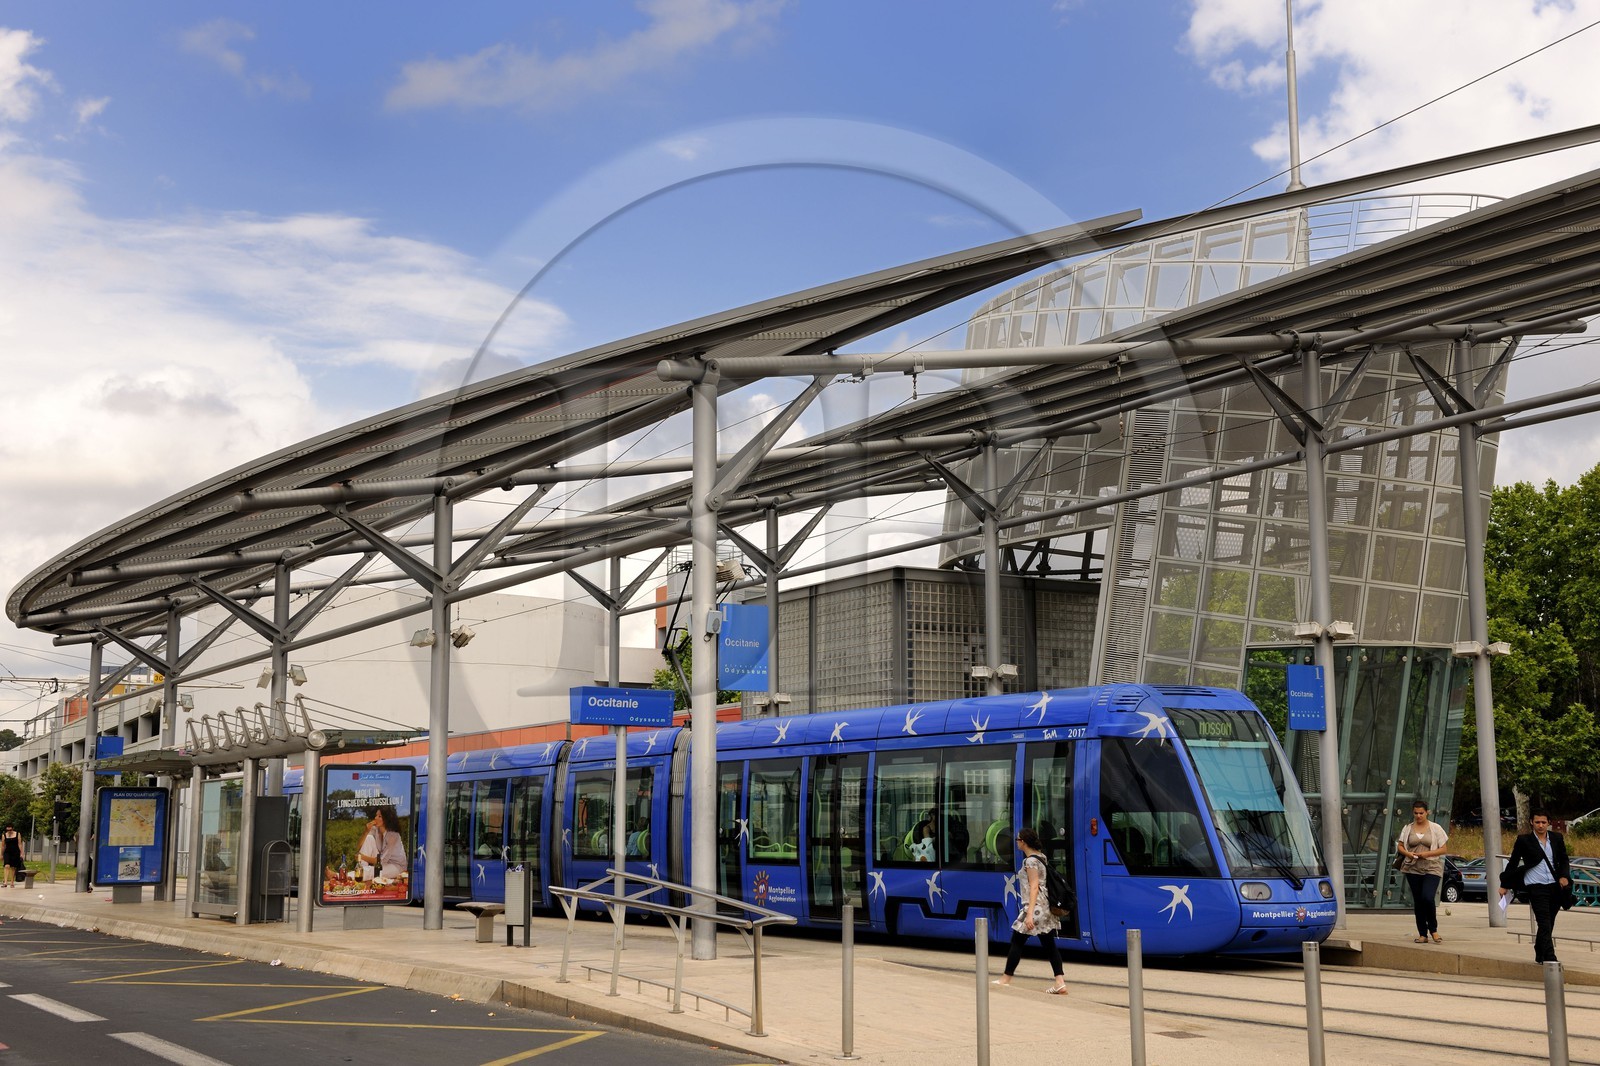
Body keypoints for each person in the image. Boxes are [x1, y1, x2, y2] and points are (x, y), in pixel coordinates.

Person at [993, 827, 1068, 994]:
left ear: (1024, 842)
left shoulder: (1030, 862)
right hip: (1045, 907)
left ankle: (1006, 978)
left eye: (1018, 840)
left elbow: (1034, 887)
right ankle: (1060, 982)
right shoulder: (1041, 857)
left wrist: (1029, 914)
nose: (1016, 843)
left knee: (1017, 941)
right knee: (1049, 945)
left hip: (1036, 908)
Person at [1500, 808, 1571, 963]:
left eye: (1543, 822)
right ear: (1532, 822)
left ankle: (1540, 951)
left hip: (1554, 885)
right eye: (1537, 822)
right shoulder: (1524, 840)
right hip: (1536, 886)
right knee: (1544, 922)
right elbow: (1513, 862)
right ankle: (1551, 958)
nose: (1540, 825)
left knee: (1549, 922)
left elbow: (1564, 859)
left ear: (1548, 823)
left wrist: (1564, 876)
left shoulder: (1557, 838)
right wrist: (1504, 884)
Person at [1396, 800, 1449, 943]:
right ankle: (1422, 934)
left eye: (1421, 813)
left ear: (1427, 812)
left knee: (1427, 897)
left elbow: (1444, 849)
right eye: (1416, 813)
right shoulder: (1408, 828)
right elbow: (1400, 846)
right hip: (1413, 867)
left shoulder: (1435, 828)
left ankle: (1434, 930)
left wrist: (1428, 854)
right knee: (1419, 901)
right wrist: (1407, 854)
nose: (1418, 816)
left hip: (1432, 866)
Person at [357, 807, 408, 880]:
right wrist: (366, 831)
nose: (375, 818)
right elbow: (359, 847)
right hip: (382, 860)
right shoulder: (375, 829)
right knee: (369, 838)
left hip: (396, 865)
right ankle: (362, 868)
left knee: (376, 871)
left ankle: (357, 873)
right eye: (376, 815)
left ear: (386, 819)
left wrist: (361, 857)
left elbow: (381, 861)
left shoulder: (393, 836)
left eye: (379, 816)